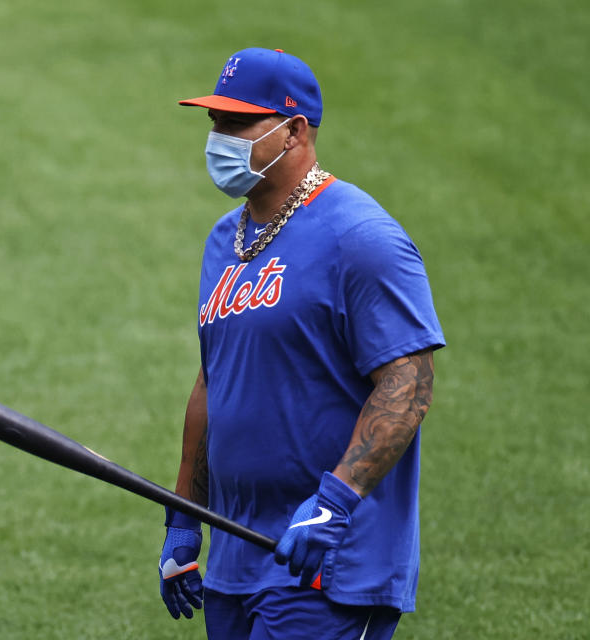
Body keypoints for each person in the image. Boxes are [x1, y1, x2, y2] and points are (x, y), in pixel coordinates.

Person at [157, 48, 445, 639]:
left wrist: (334, 503)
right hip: (235, 556)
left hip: (328, 559)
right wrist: (185, 517)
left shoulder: (361, 238)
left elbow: (407, 385)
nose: (219, 137)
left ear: (294, 131)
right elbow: (215, 379)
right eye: (214, 121)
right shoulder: (226, 241)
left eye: (238, 123)